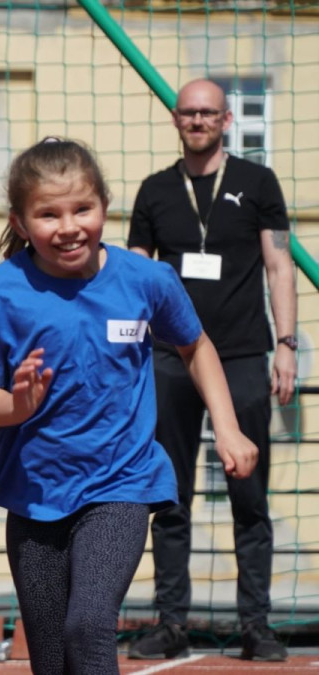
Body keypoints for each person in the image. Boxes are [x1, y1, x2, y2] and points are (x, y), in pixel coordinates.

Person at [0, 137, 257, 674]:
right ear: (21, 223)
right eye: (48, 214)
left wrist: (227, 429)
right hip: (35, 493)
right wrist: (19, 404)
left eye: (81, 209)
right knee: (51, 659)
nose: (68, 227)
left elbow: (196, 346)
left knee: (88, 625)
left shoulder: (146, 280)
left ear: (104, 208)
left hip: (121, 482)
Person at [125, 79, 295, 662]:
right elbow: (136, 278)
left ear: (226, 120)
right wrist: (130, 354)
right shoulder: (153, 191)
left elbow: (279, 268)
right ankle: (171, 623)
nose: (196, 120)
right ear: (176, 120)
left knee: (249, 495)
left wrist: (288, 345)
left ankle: (257, 627)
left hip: (244, 355)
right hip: (170, 360)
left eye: (207, 113)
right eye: (187, 112)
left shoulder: (258, 183)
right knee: (169, 497)